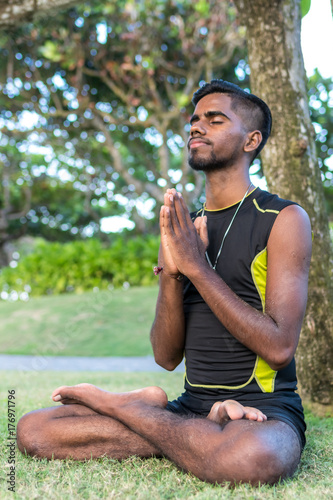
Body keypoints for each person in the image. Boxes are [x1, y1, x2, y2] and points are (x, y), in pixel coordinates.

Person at [17, 80, 312, 486]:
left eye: (214, 119)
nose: (196, 127)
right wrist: (172, 275)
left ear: (251, 140)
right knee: (35, 432)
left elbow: (280, 347)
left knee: (252, 459)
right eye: (194, 121)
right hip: (189, 409)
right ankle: (190, 428)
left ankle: (128, 410)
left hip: (264, 409)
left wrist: (195, 266)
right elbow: (166, 356)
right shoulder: (185, 229)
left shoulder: (283, 219)